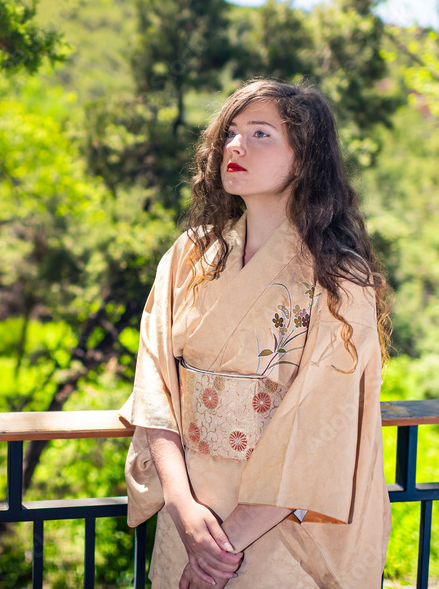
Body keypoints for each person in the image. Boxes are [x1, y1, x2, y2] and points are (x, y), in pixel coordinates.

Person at [120, 79, 392, 588]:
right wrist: (183, 509)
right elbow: (154, 386)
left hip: (278, 524)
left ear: (304, 159)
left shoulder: (338, 279)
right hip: (191, 512)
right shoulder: (188, 256)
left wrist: (221, 550)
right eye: (231, 133)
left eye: (261, 134)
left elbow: (321, 429)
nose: (235, 146)